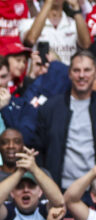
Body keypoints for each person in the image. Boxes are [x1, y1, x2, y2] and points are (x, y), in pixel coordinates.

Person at [34, 50, 96, 188]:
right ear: (69, 74)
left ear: (95, 73)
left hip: (93, 191)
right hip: (59, 190)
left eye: (87, 70)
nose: (81, 75)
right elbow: (39, 150)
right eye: (76, 70)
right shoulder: (50, 108)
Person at [20, 0, 90, 65]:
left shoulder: (74, 24)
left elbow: (86, 45)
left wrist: (75, 7)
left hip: (68, 75)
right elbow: (31, 40)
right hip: (42, 75)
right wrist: (49, 2)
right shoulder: (28, 23)